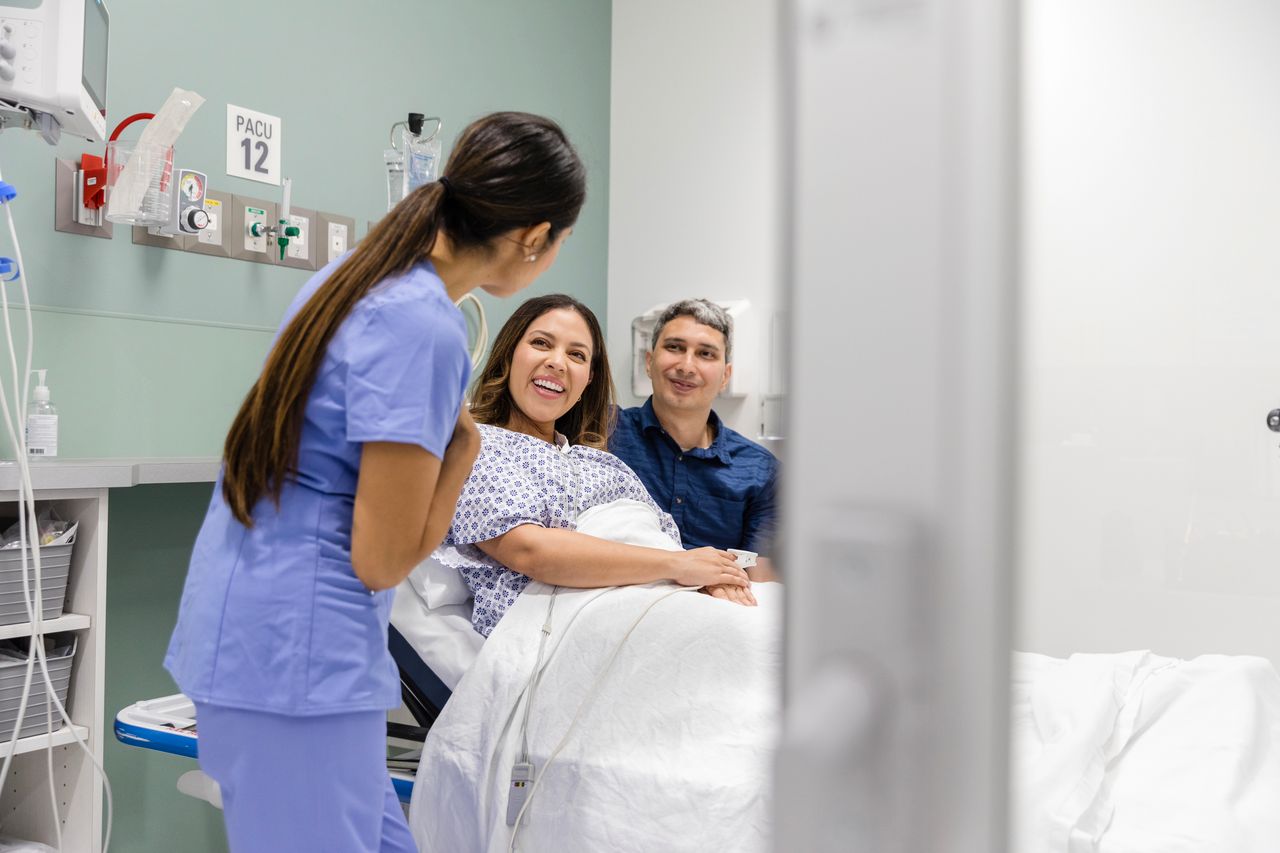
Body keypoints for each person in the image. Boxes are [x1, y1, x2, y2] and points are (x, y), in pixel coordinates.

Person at [163, 112, 586, 853]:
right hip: (301, 665)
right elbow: (381, 560)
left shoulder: (360, 279)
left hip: (265, 638)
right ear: (534, 237)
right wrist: (462, 453)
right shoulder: (421, 325)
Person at [435, 294, 755, 638]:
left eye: (577, 355)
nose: (558, 363)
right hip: (566, 622)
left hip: (658, 599)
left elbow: (656, 540)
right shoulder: (476, 445)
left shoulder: (604, 463)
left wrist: (712, 580)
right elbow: (529, 550)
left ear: (588, 378)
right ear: (510, 354)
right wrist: (680, 566)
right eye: (541, 343)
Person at [609, 299, 780, 582]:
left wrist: (721, 573)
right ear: (649, 362)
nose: (687, 366)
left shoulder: (762, 471)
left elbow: (757, 570)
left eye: (706, 354)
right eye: (675, 347)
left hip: (714, 612)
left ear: (725, 376)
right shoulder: (602, 432)